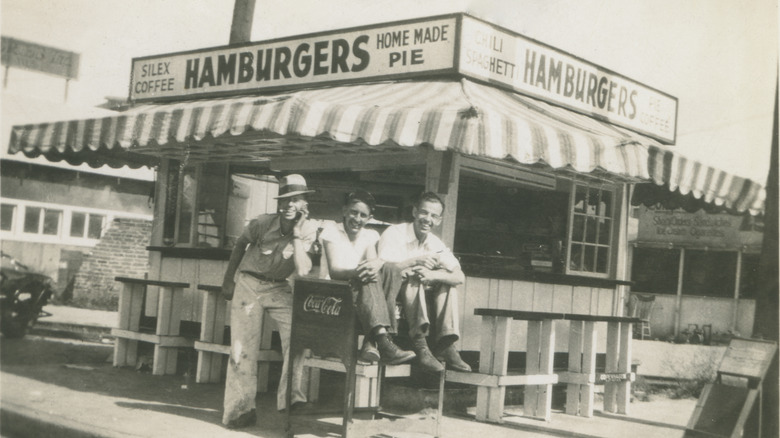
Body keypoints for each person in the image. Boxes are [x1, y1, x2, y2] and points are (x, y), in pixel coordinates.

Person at [220, 174, 319, 429]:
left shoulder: (308, 230)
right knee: (242, 347)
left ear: (305, 204)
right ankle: (239, 411)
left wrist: (297, 234)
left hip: (279, 287)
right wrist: (228, 279)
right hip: (249, 283)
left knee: (298, 336)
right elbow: (240, 244)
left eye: (295, 200)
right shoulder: (263, 223)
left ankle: (290, 403)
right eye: (284, 200)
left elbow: (303, 269)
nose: (288, 206)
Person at [376, 191, 471, 373]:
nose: (428, 219)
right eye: (424, 212)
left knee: (446, 281)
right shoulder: (395, 233)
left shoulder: (435, 243)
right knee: (416, 276)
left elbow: (460, 276)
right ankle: (420, 346)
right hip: (389, 296)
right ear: (414, 212)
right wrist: (417, 263)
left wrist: (433, 275)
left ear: (439, 221)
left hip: (417, 301)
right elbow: (385, 270)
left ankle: (446, 344)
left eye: (434, 216)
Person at [318, 190, 415, 365]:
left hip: (360, 292)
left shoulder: (370, 235)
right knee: (367, 274)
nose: (357, 218)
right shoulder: (331, 231)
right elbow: (334, 271)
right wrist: (360, 271)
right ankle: (384, 342)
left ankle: (372, 342)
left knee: (391, 269)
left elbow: (372, 269)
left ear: (369, 218)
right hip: (334, 292)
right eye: (354, 212)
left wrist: (375, 264)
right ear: (345, 211)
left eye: (363, 215)